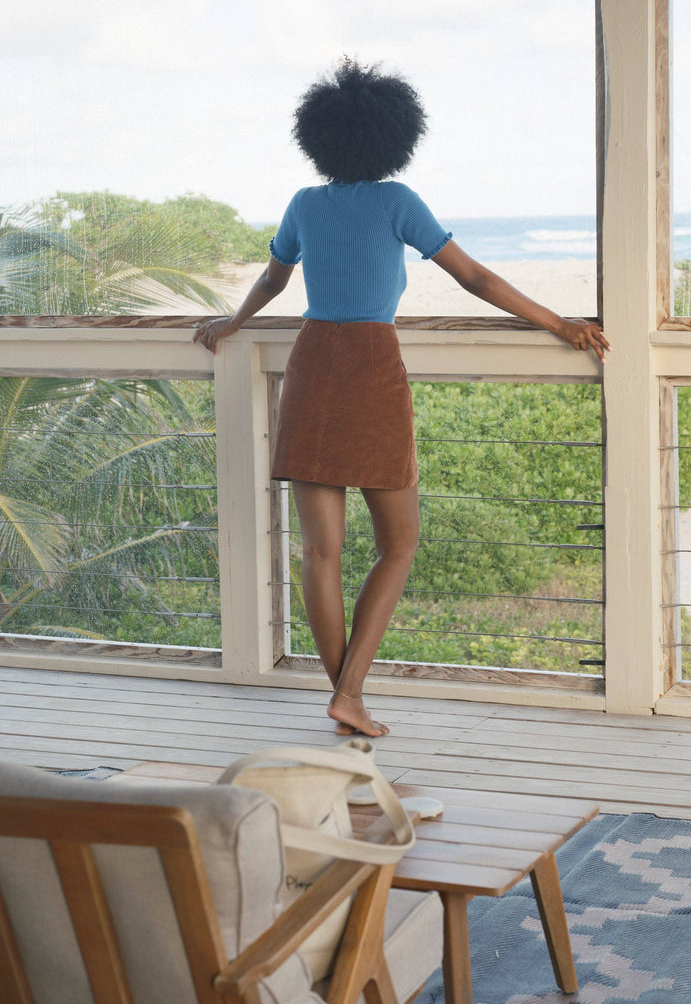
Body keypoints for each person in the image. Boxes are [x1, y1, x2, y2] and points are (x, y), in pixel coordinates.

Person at [194, 59, 610, 737]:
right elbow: (474, 278)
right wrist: (560, 325)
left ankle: (346, 697)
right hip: (371, 366)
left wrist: (230, 324)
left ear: (319, 138)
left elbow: (272, 282)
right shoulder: (397, 202)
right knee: (400, 543)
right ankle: (350, 693)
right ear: (394, 136)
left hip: (311, 364)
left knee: (320, 552)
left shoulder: (304, 205)